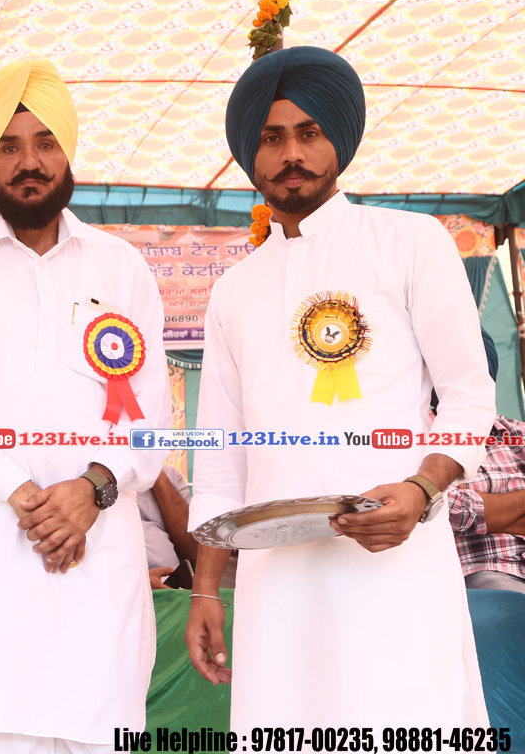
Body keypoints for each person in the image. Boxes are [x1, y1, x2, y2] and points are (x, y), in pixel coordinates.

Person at [184, 46, 494, 730]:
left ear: (339, 140)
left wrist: (421, 490)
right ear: (251, 154)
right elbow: (222, 456)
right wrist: (205, 589)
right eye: (271, 138)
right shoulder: (234, 290)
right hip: (277, 583)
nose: (291, 153)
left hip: (395, 564)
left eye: (309, 132)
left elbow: (469, 396)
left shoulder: (411, 242)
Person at [0, 58, 171, 754]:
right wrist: (28, 497)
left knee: (102, 731)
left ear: (68, 150)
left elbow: (150, 417)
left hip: (100, 557)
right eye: (9, 146)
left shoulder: (122, 268)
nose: (30, 162)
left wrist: (91, 490)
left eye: (45, 142)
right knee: (5, 735)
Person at [446, 332, 525, 593]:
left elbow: (462, 510)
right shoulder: (414, 439)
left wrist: (492, 512)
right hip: (486, 573)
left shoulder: (516, 432)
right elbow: (444, 509)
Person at [137, 465, 197, 588]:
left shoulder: (170, 474)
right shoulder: (97, 474)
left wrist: (155, 470)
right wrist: (138, 582)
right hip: (117, 586)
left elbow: (193, 550)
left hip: (170, 587)